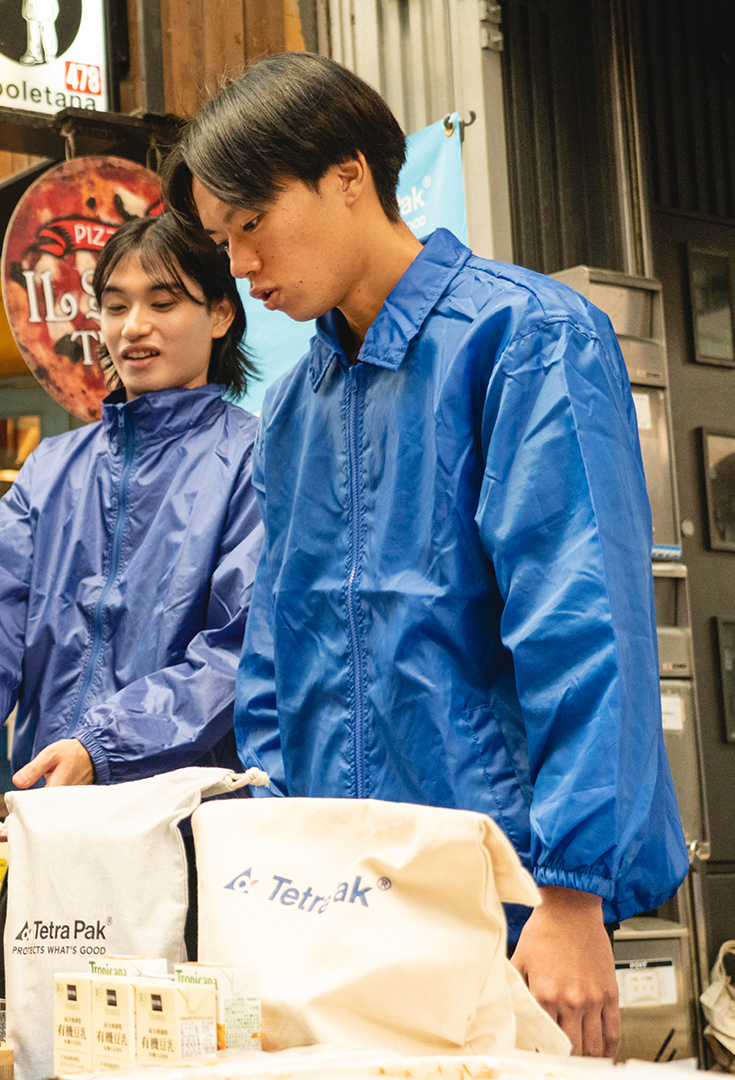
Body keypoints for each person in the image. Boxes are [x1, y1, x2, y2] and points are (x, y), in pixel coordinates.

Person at [168, 51, 687, 1058]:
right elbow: (274, 652)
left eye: (250, 224)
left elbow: (585, 621)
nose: (239, 263)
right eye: (223, 240)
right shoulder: (291, 409)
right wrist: (274, 843)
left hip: (499, 888)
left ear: (348, 176)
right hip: (329, 896)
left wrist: (574, 893)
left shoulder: (528, 338)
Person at [0, 213, 262, 812]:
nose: (134, 326)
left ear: (221, 314)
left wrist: (101, 746)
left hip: (185, 827)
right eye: (115, 305)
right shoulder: (51, 467)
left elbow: (240, 649)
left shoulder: (253, 456)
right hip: (48, 814)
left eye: (163, 302)